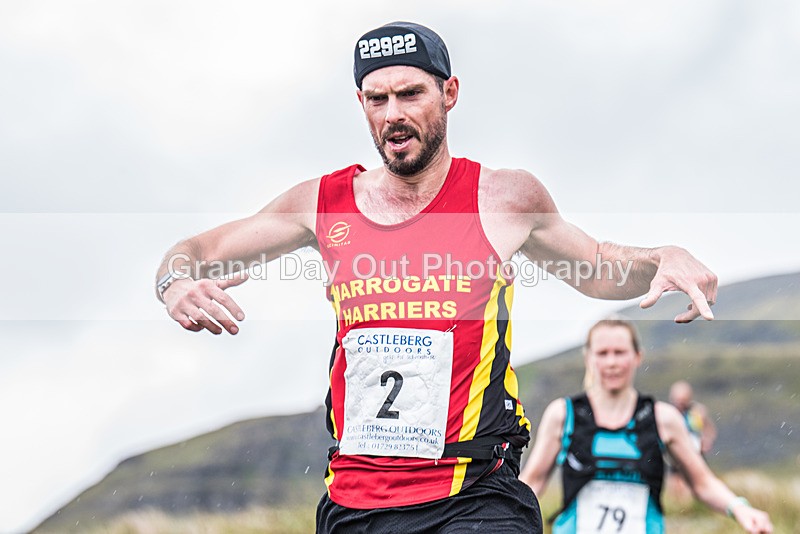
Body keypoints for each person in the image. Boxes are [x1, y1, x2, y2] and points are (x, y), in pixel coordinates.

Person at [155, 21, 719, 534]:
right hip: (358, 497)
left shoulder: (504, 198)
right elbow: (198, 250)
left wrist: (660, 256)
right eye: (377, 99)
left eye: (410, 94)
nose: (393, 113)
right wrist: (174, 284)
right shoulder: (322, 202)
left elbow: (595, 267)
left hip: (475, 494)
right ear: (361, 103)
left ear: (449, 94)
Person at [519, 318, 772, 534]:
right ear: (588, 358)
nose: (611, 362)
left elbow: (702, 482)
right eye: (602, 353)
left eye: (620, 352)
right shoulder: (563, 415)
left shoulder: (664, 419)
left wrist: (740, 508)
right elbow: (533, 482)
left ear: (637, 356)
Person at [665, 379, 718, 504]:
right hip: (675, 452)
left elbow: (710, 429)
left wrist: (707, 441)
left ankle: (691, 506)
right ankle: (678, 507)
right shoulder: (669, 412)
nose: (679, 403)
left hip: (695, 452)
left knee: (695, 480)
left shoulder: (698, 411)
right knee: (675, 481)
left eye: (682, 400)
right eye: (677, 400)